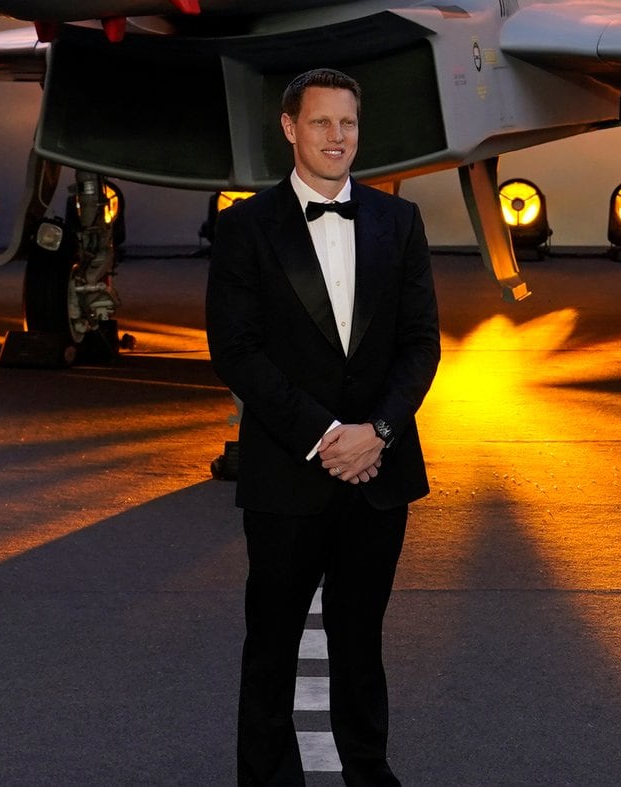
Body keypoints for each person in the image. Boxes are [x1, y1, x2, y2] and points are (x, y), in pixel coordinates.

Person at [205, 68, 441, 786]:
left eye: (348, 123)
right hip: (287, 471)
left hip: (379, 472)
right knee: (271, 645)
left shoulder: (400, 221)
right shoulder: (245, 226)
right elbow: (237, 351)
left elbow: (421, 344)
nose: (337, 137)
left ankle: (368, 773)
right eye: (321, 122)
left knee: (362, 642)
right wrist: (325, 436)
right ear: (289, 128)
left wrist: (378, 431)